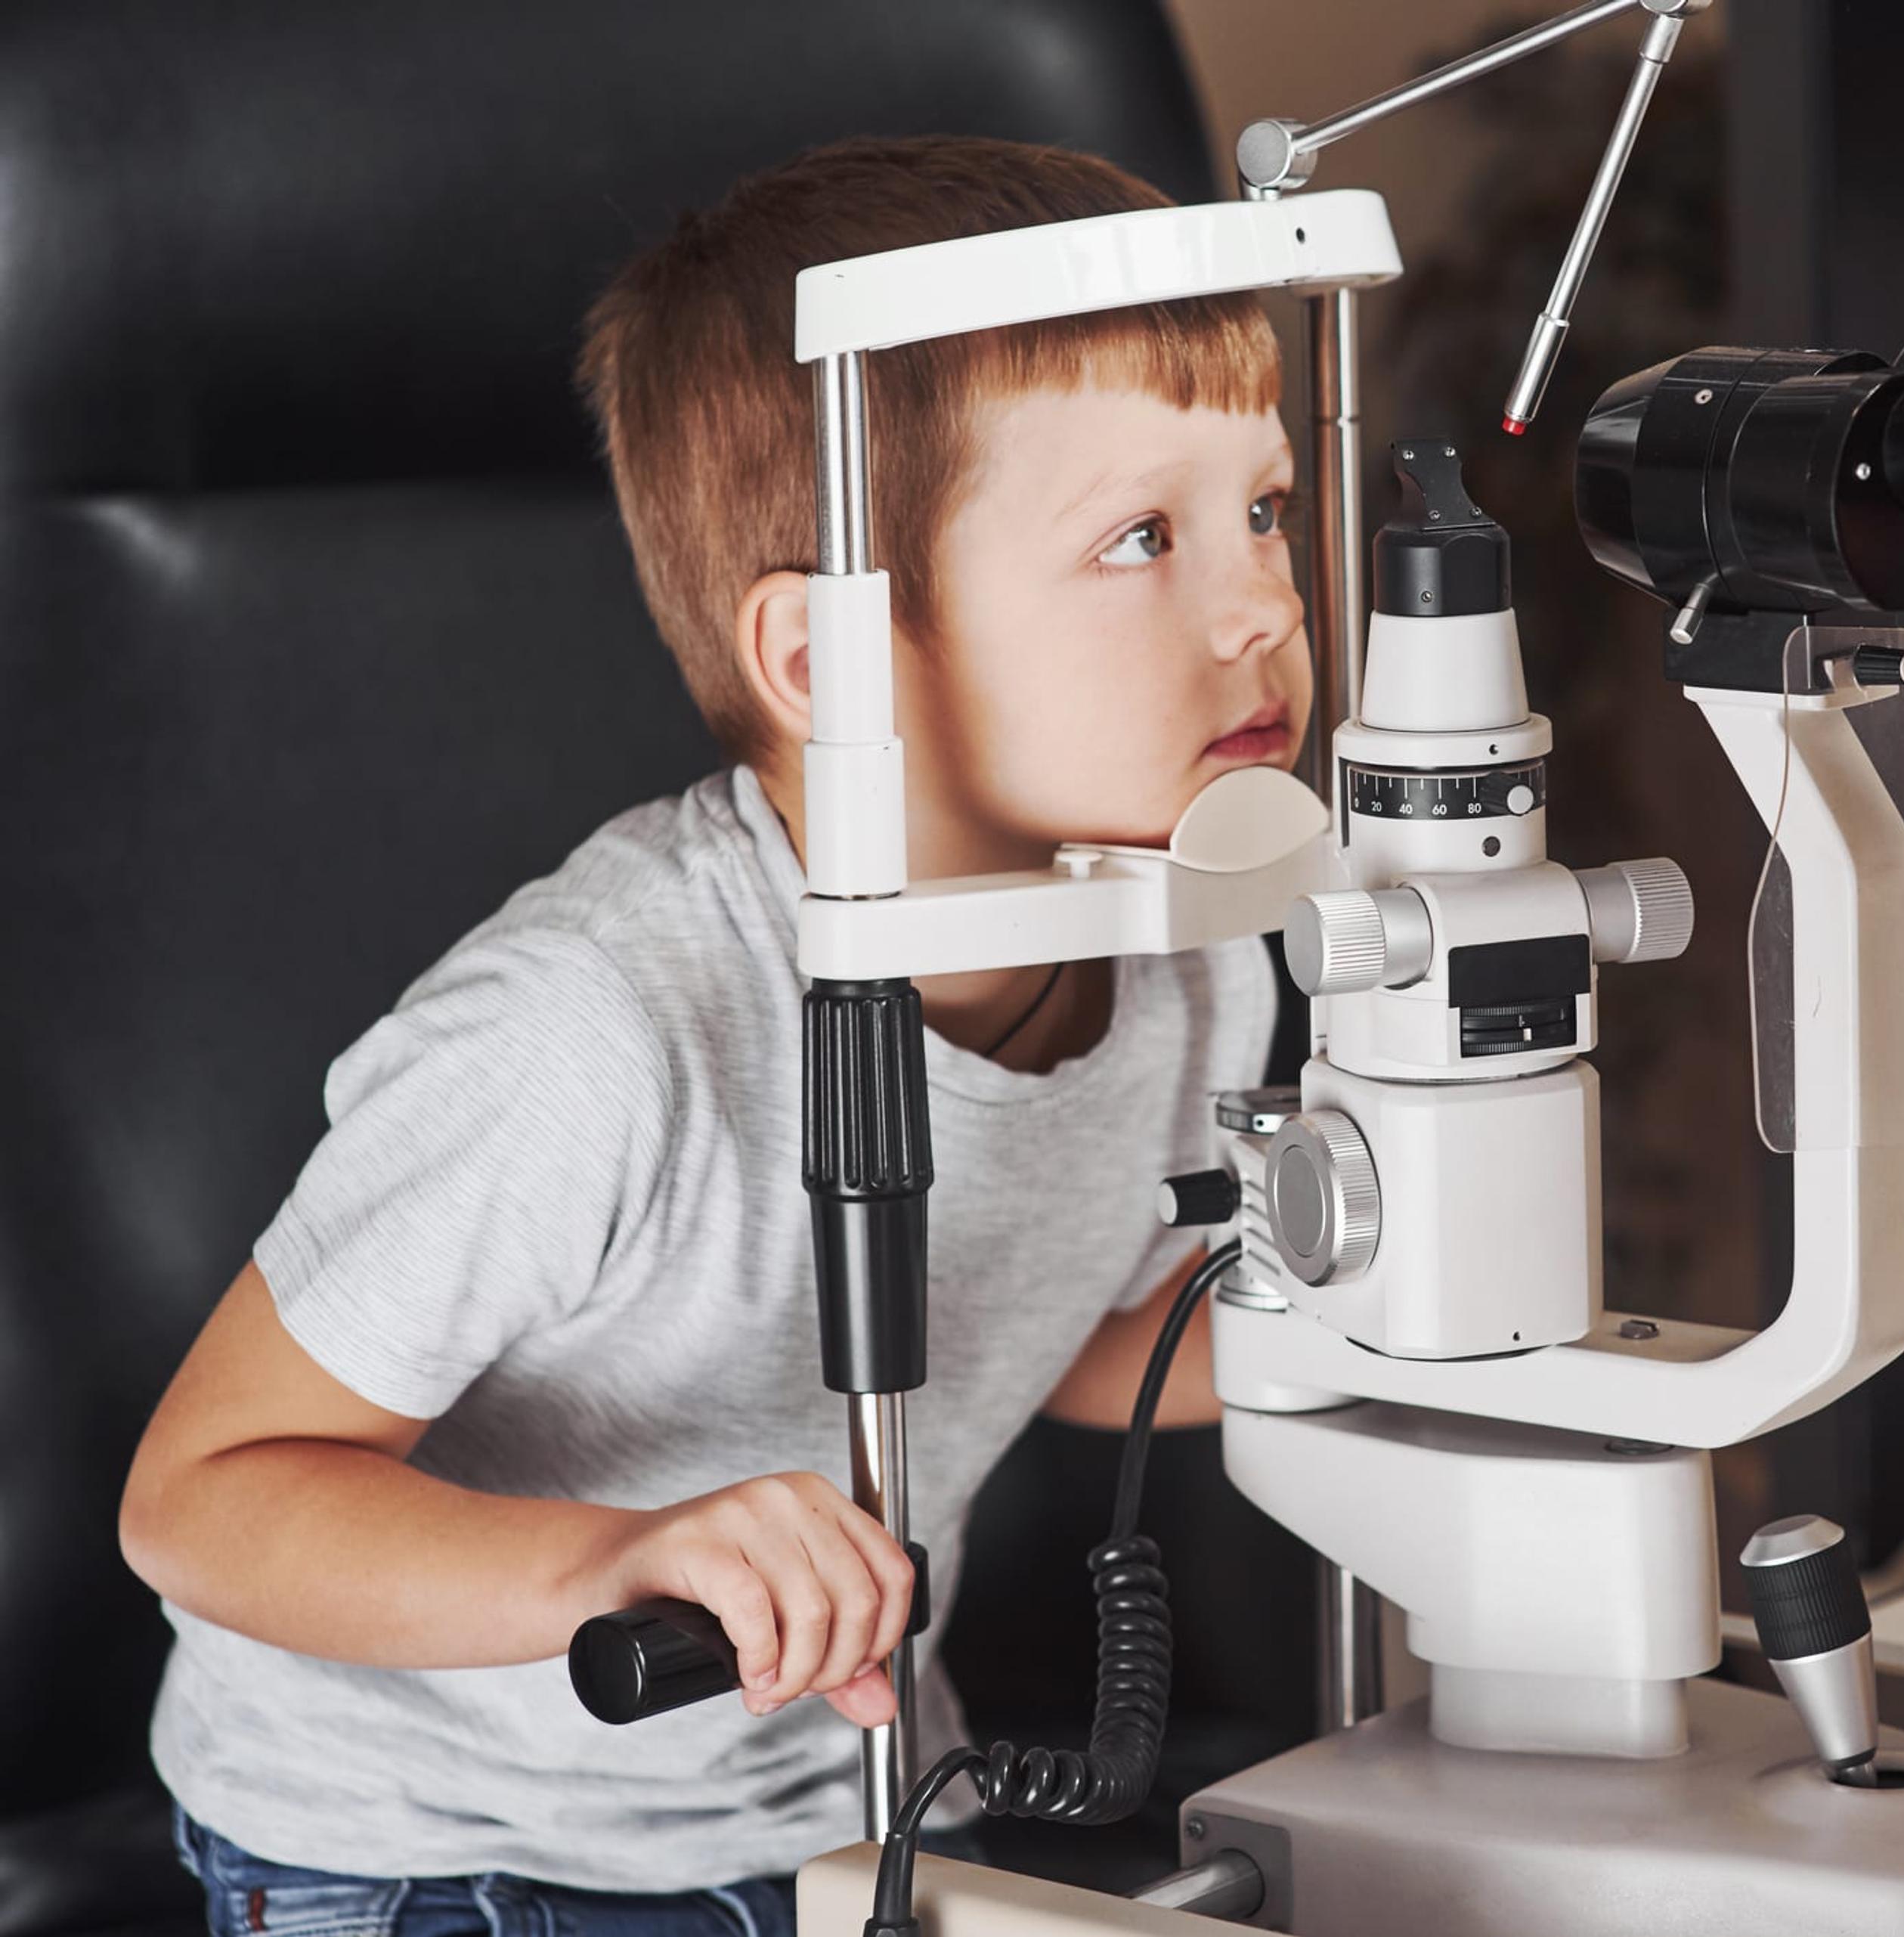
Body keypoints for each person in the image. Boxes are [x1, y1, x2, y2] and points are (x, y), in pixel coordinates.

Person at [116, 135, 1308, 1931]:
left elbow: (1062, 1328)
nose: (1263, 608)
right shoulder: (597, 1026)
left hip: (840, 1807)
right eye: (1144, 537)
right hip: (433, 1855)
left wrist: (1409, 1304)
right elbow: (199, 1503)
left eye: (1267, 509)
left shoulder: (1199, 952)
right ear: (827, 659)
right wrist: (616, 1560)